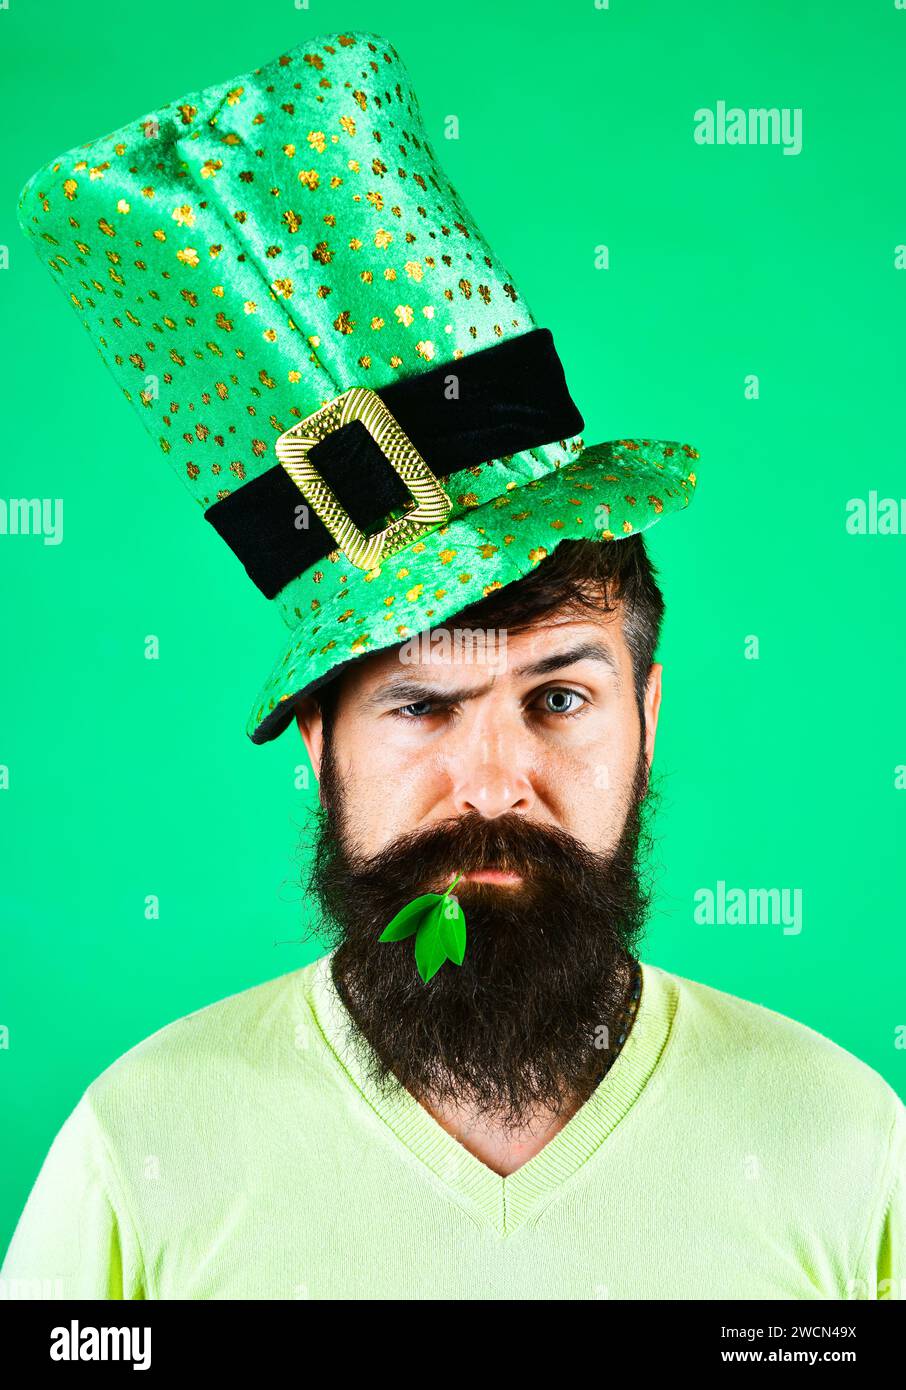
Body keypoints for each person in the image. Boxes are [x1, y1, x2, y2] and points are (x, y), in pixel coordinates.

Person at [3, 29, 902, 1300]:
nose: (494, 781)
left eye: (560, 696)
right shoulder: (135, 1151)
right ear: (319, 740)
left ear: (649, 711)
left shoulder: (849, 1144)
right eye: (422, 702)